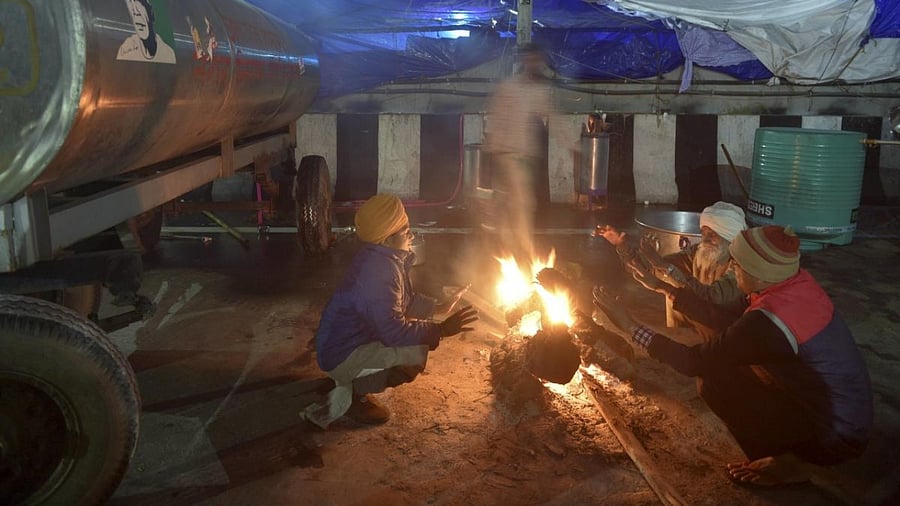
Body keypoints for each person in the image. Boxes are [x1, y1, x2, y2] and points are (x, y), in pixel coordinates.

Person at [593, 225, 873, 489]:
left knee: (715, 381)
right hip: (847, 415)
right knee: (724, 351)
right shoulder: (793, 283)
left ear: (759, 272)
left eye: (737, 265)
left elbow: (694, 362)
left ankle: (790, 463)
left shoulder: (771, 320)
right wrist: (664, 288)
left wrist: (629, 326)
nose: (732, 268)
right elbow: (723, 319)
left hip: (835, 435)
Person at [302, 194, 478, 429]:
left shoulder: (383, 259)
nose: (411, 235)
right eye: (405, 231)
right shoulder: (379, 273)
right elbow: (393, 332)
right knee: (415, 352)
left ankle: (347, 376)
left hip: (343, 343)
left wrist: (441, 308)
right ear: (386, 240)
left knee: (414, 336)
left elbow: (402, 301)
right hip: (340, 353)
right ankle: (353, 393)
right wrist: (441, 330)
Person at [597, 201, 747, 338]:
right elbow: (647, 269)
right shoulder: (698, 252)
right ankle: (679, 339)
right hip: (697, 323)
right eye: (703, 234)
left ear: (730, 237)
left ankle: (699, 350)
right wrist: (622, 246)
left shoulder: (741, 263)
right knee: (675, 285)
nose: (705, 240)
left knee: (676, 286)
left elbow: (714, 296)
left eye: (712, 235)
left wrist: (664, 269)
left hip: (726, 332)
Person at [483, 43, 554, 262]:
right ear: (523, 61)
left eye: (537, 59)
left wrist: (573, 146)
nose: (534, 63)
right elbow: (496, 118)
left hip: (526, 157)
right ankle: (521, 253)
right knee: (521, 204)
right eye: (530, 59)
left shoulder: (540, 90)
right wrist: (494, 150)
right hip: (508, 155)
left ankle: (510, 251)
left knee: (517, 204)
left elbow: (554, 117)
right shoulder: (509, 87)